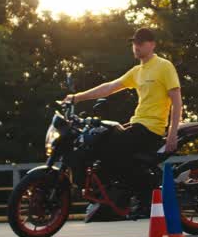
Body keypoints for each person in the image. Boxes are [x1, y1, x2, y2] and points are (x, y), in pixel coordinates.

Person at [63, 27, 182, 220]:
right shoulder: (138, 71)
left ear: (152, 45)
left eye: (140, 43)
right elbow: (109, 87)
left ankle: (145, 199)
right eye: (134, 43)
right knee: (101, 140)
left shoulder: (164, 66)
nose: (136, 46)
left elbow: (177, 101)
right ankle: (113, 197)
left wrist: (172, 132)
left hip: (151, 128)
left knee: (112, 151)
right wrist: (76, 98)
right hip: (137, 124)